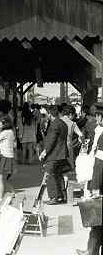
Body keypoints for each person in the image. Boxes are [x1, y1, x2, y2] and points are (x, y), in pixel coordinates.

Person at [76, 103, 103, 255]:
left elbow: (99, 165)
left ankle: (91, 252)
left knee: (97, 220)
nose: (96, 118)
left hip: (100, 185)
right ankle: (90, 250)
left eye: (98, 115)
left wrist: (95, 188)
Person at [39, 105, 69, 205]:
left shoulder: (54, 124)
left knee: (50, 174)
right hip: (62, 153)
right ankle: (62, 196)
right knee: (58, 175)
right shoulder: (63, 123)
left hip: (54, 154)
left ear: (50, 114)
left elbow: (51, 140)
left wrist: (44, 152)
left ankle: (54, 197)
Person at [0, 115, 17, 209]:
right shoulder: (11, 132)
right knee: (2, 179)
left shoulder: (6, 132)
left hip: (4, 157)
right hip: (7, 156)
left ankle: (0, 201)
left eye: (0, 123)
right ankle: (12, 192)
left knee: (0, 180)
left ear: (4, 123)